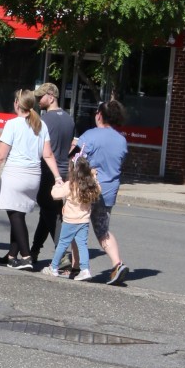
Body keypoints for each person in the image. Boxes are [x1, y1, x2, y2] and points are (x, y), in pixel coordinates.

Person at [0, 90, 60, 269]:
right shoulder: (41, 125)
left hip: (15, 175)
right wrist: (57, 176)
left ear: (17, 103)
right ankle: (11, 255)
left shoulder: (12, 124)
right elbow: (48, 154)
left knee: (15, 216)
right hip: (33, 176)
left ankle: (26, 256)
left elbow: (0, 156)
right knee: (19, 214)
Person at [72, 98, 129, 284]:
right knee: (103, 229)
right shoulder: (121, 140)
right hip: (109, 190)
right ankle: (117, 264)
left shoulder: (90, 135)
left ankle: (77, 266)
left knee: (76, 224)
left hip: (87, 188)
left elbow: (76, 159)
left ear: (99, 115)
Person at [30, 81, 76, 267]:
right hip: (63, 171)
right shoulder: (69, 119)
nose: (38, 100)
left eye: (40, 97)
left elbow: (38, 147)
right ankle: (34, 251)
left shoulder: (44, 121)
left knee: (51, 211)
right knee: (48, 211)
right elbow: (72, 145)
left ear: (51, 97)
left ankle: (62, 252)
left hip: (48, 171)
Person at [45, 156, 102, 281]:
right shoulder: (91, 186)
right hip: (84, 221)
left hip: (70, 221)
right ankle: (85, 269)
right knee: (82, 245)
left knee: (62, 244)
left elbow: (55, 195)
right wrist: (94, 177)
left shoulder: (70, 185)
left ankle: (53, 267)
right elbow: (99, 189)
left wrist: (56, 185)